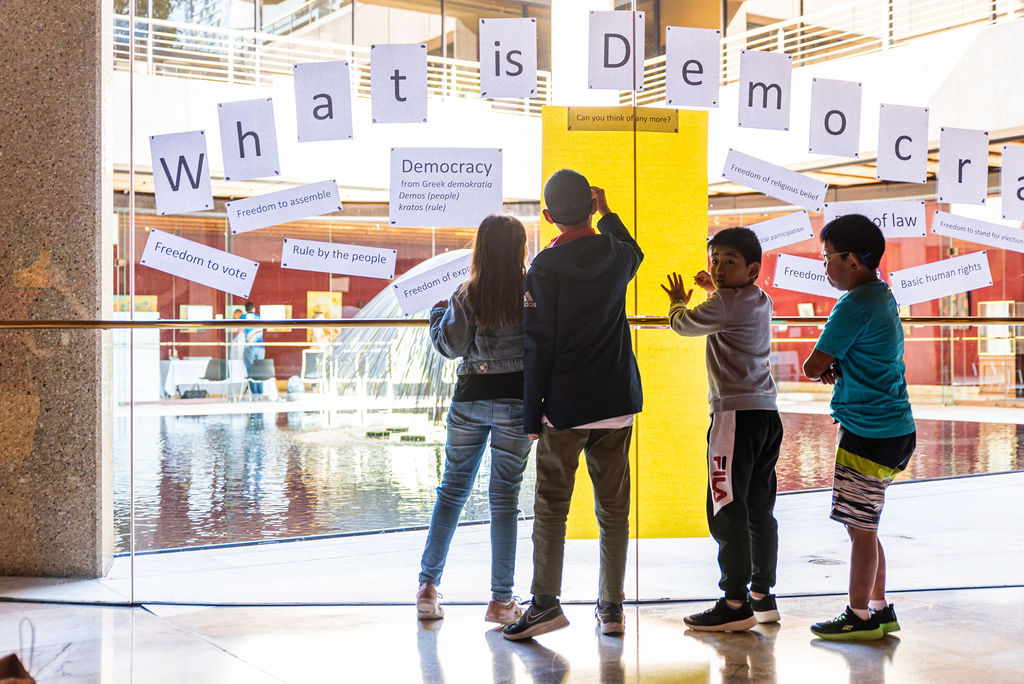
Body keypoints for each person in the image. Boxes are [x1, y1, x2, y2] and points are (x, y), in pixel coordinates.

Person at [502, 170, 643, 641]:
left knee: (551, 507)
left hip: (565, 405)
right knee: (614, 510)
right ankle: (613, 608)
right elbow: (635, 251)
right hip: (616, 401)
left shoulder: (544, 268)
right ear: (591, 207)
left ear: (547, 216)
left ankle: (545, 605)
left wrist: (531, 413)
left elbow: (537, 345)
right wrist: (608, 214)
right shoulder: (615, 253)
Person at [661, 227, 784, 632]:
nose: (717, 268)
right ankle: (762, 595)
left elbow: (684, 325)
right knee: (759, 508)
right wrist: (715, 287)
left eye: (728, 261)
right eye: (714, 260)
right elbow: (730, 305)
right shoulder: (760, 298)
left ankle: (734, 603)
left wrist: (678, 302)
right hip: (766, 415)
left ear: (752, 268)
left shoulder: (726, 302)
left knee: (725, 507)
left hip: (733, 417)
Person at [802, 214, 915, 641]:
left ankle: (858, 616)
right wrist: (838, 364)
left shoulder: (853, 303)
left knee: (861, 530)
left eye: (826, 257)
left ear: (851, 259)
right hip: (895, 427)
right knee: (864, 523)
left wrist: (829, 364)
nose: (824, 266)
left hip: (868, 431)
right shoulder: (881, 294)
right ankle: (879, 608)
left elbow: (813, 365)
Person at [416, 214, 533, 626]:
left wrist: (436, 317)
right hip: (516, 403)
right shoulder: (531, 292)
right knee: (504, 500)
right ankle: (501, 601)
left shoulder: (467, 293)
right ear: (519, 249)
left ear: (481, 249)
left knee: (451, 492)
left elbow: (450, 347)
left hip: (470, 401)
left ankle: (428, 588)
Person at [241, 301, 265, 396]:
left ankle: (254, 393)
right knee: (260, 370)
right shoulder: (259, 317)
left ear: (245, 309)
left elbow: (239, 330)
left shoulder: (243, 317)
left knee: (250, 371)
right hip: (260, 347)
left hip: (249, 347)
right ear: (254, 309)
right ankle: (260, 392)